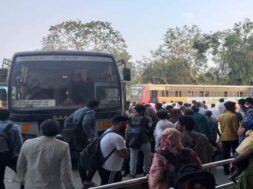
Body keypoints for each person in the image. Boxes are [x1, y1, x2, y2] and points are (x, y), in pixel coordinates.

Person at [17, 119, 75, 189]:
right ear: (57, 131)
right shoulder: (63, 146)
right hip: (53, 186)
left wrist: (22, 181)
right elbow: (65, 172)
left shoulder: (27, 143)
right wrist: (70, 187)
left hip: (31, 186)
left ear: (41, 130)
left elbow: (21, 165)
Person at [64, 100, 100, 186]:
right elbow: (85, 124)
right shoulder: (90, 111)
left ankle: (84, 180)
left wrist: (71, 132)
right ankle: (88, 180)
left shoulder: (79, 110)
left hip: (76, 138)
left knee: (80, 159)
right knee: (95, 157)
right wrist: (91, 136)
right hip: (84, 139)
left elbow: (67, 121)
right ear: (96, 106)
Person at [99, 115, 129, 185]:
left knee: (106, 184)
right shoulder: (117, 137)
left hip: (105, 166)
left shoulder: (107, 131)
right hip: (112, 168)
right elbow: (124, 154)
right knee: (110, 186)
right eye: (126, 124)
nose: (126, 126)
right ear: (120, 123)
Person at [0, 109, 23, 189]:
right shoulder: (14, 127)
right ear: (9, 116)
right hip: (10, 155)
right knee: (22, 173)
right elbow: (20, 143)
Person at [128, 104, 153, 178]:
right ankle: (146, 171)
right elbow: (150, 129)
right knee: (146, 156)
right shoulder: (146, 118)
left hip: (132, 139)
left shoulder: (130, 117)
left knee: (133, 156)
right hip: (144, 139)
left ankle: (132, 173)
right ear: (143, 110)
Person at [219, 101, 239, 175]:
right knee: (235, 154)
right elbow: (235, 129)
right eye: (234, 106)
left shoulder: (221, 116)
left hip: (224, 138)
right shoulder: (233, 116)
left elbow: (221, 127)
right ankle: (234, 169)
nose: (235, 107)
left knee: (225, 154)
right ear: (231, 107)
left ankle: (226, 170)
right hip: (233, 138)